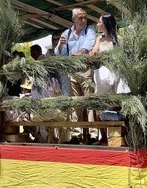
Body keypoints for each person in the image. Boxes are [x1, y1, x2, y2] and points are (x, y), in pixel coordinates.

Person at [54, 7, 96, 144]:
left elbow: (89, 44)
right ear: (73, 19)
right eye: (80, 18)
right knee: (75, 102)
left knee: (89, 102)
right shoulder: (67, 33)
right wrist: (60, 45)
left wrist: (82, 51)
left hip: (85, 70)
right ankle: (76, 134)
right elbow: (58, 53)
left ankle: (92, 133)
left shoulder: (90, 30)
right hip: (72, 71)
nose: (83, 20)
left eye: (85, 17)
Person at [89, 13, 130, 145]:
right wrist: (92, 54)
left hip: (117, 74)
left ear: (105, 24)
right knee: (99, 105)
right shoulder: (98, 40)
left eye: (99, 22)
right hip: (103, 76)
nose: (97, 24)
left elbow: (124, 57)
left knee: (118, 105)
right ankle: (103, 137)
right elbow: (94, 52)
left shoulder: (119, 39)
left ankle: (120, 137)